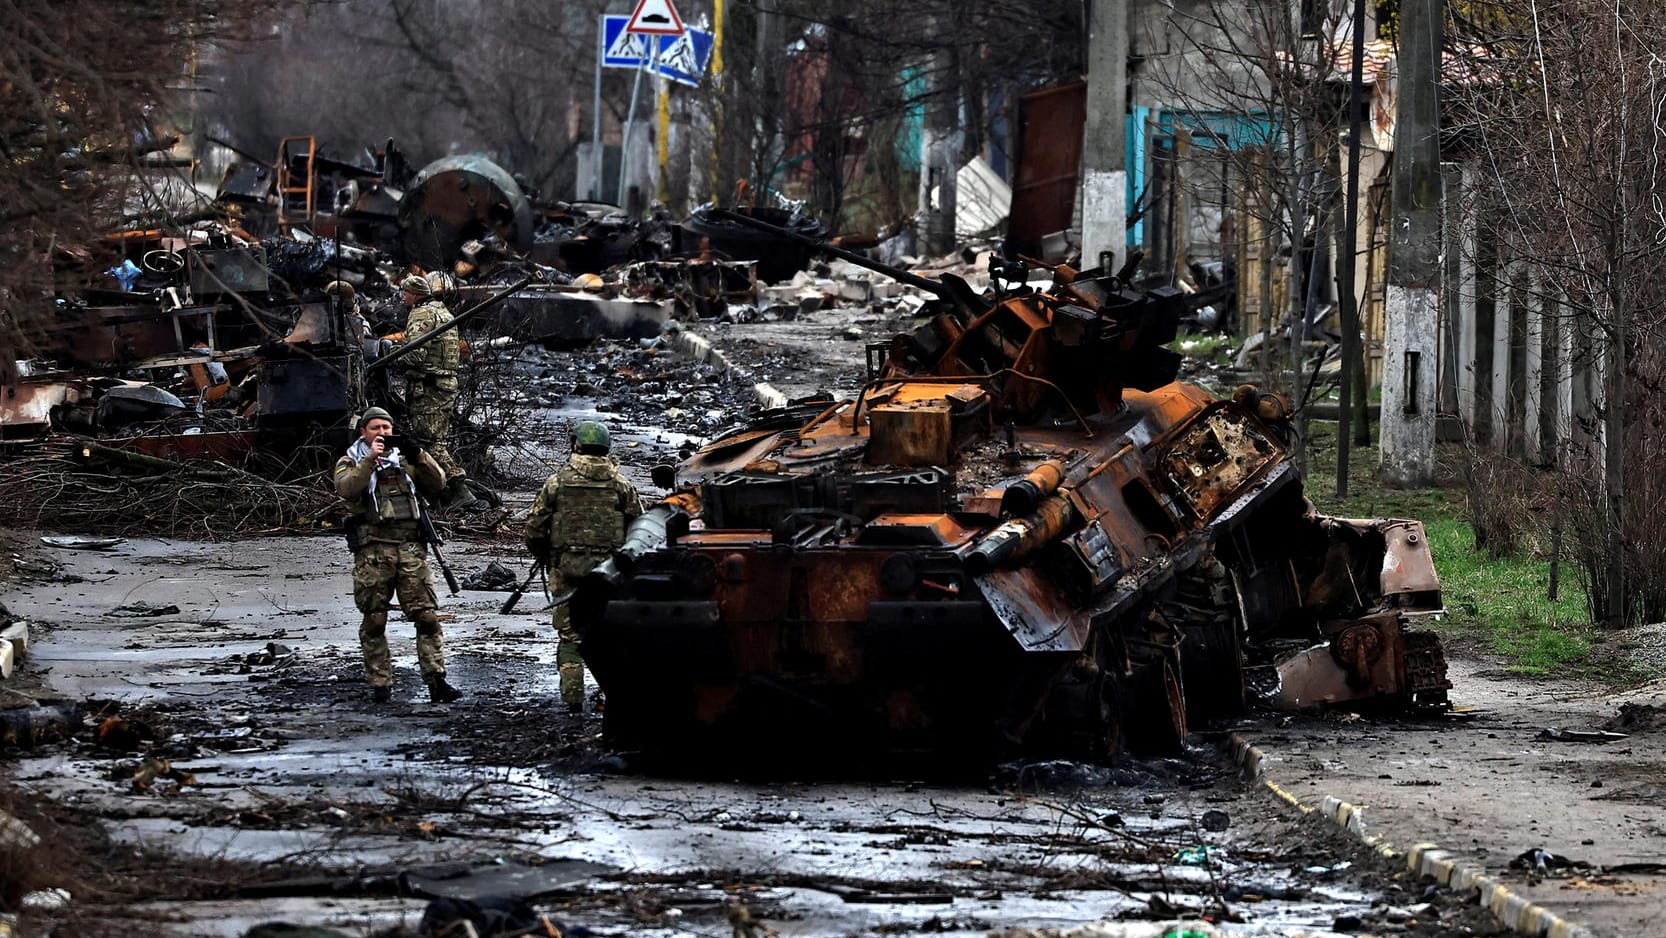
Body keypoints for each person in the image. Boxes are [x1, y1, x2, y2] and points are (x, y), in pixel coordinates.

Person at [334, 406, 463, 704]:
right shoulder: (349, 460)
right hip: (374, 550)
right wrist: (369, 460)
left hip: (410, 548)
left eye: (386, 428)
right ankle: (381, 684)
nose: (382, 433)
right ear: (363, 432)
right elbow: (347, 489)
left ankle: (436, 680)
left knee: (427, 616)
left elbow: (438, 483)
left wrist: (418, 453)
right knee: (375, 619)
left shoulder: (406, 460)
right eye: (376, 428)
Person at [524, 421, 642, 711]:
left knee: (570, 638)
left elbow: (535, 528)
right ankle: (616, 699)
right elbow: (639, 527)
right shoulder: (621, 484)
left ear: (576, 445)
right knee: (609, 637)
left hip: (566, 572)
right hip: (610, 576)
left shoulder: (557, 482)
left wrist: (547, 556)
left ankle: (573, 702)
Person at [398, 273, 475, 510]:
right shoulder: (443, 311)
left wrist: (391, 356)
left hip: (429, 387)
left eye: (405, 293)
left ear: (415, 294)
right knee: (436, 439)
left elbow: (416, 354)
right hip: (445, 384)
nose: (402, 297)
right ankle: (441, 491)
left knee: (429, 442)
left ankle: (459, 488)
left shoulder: (421, 313)